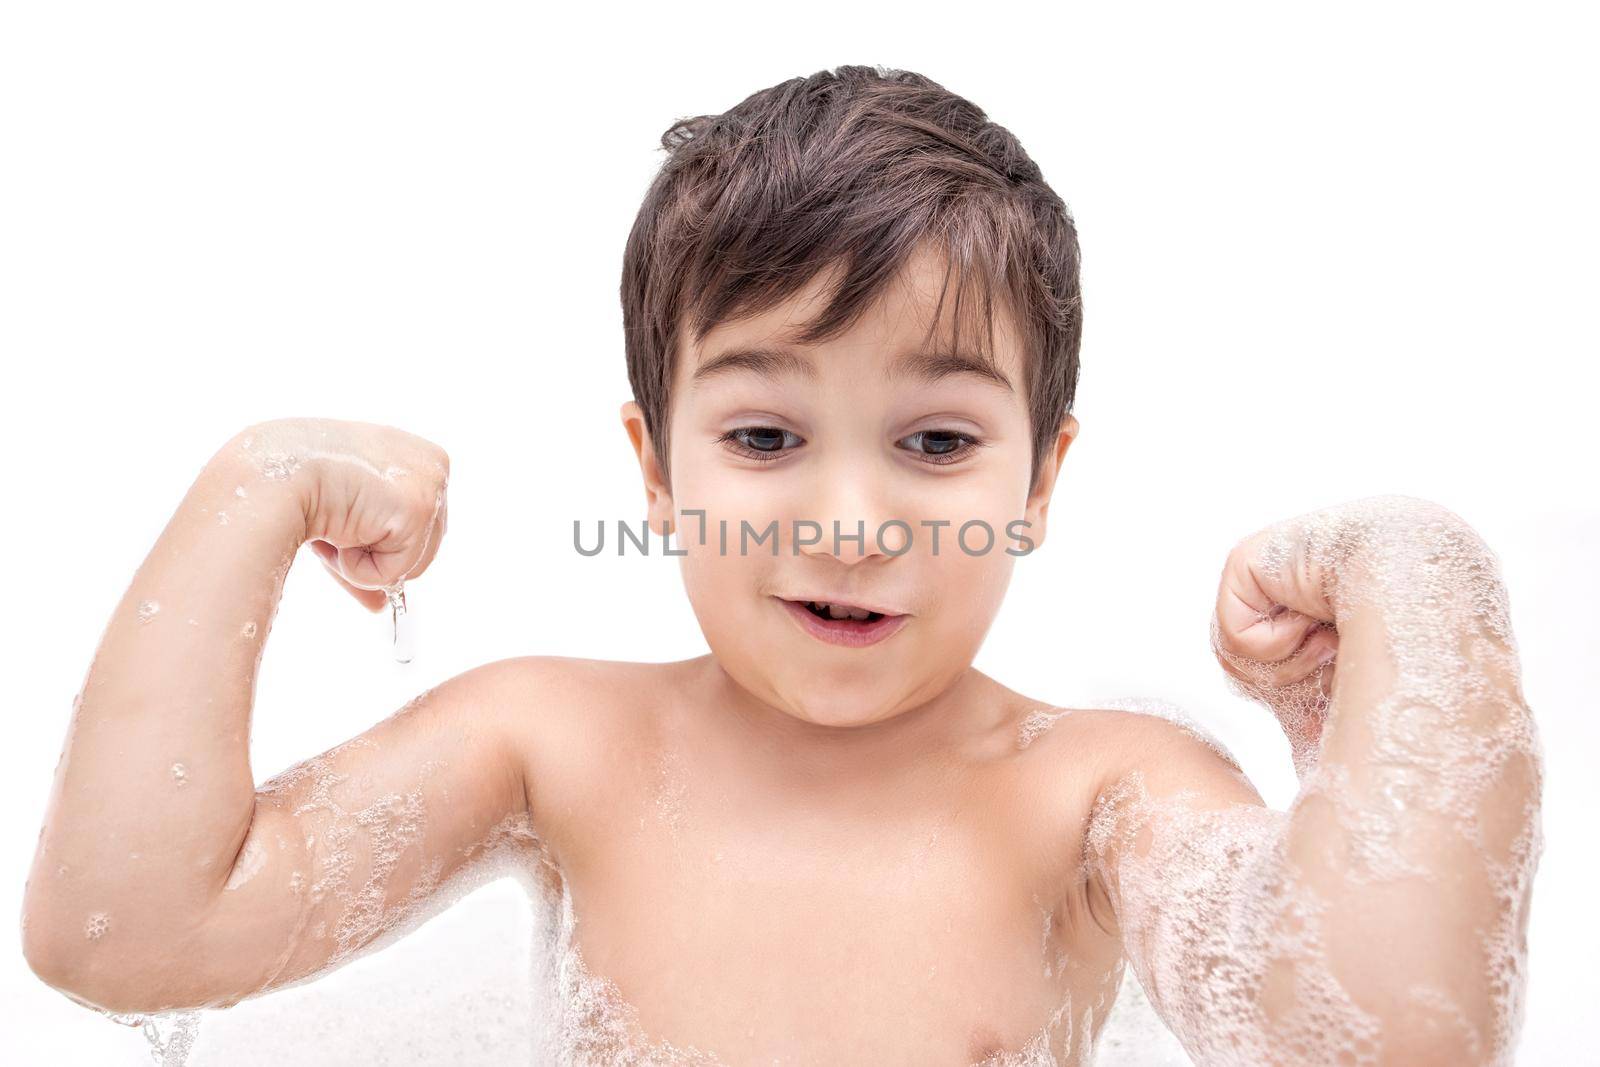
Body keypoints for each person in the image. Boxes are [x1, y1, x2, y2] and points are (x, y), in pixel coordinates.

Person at [21, 65, 1542, 1065]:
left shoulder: (1093, 791)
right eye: (761, 437)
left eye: (938, 445)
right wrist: (254, 491)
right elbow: (130, 936)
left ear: (1042, 480)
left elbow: (1388, 1036)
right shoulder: (552, 741)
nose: (849, 521)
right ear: (655, 471)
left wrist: (1420, 578)